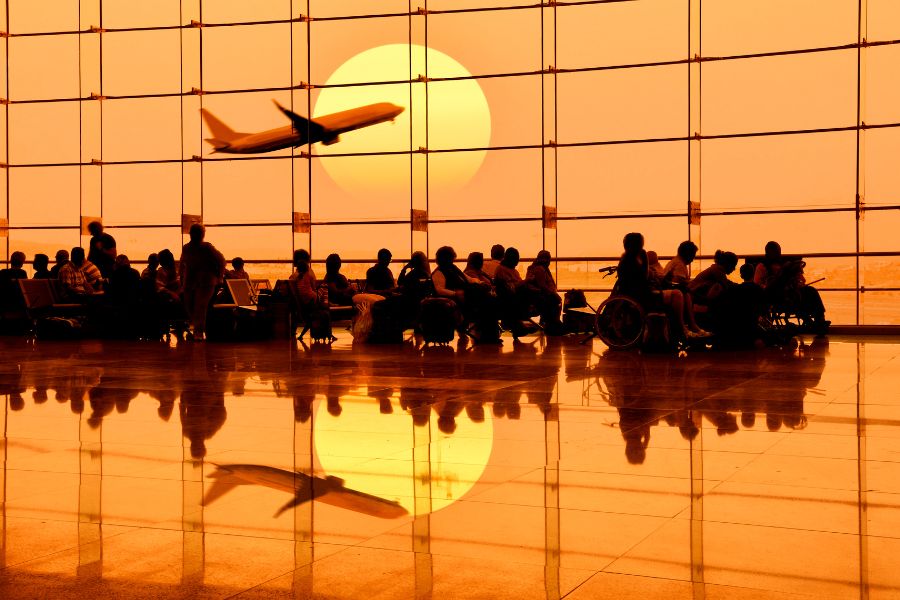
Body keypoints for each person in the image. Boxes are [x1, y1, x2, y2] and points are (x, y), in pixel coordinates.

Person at [615, 233, 706, 339]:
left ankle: (687, 327)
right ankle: (681, 329)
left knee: (681, 293)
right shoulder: (632, 260)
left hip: (643, 292)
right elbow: (643, 278)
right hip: (642, 295)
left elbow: (643, 277)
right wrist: (646, 262)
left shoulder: (629, 258)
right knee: (677, 294)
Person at [179, 224, 226, 341]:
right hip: (191, 280)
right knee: (190, 305)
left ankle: (198, 331)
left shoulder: (207, 248)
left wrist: (219, 277)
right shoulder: (187, 248)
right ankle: (197, 327)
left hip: (206, 281)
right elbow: (182, 262)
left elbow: (221, 261)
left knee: (200, 306)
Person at [524, 250, 563, 333]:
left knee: (555, 300)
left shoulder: (537, 268)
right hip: (540, 297)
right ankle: (553, 325)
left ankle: (553, 323)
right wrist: (553, 293)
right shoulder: (539, 269)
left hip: (538, 296)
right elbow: (542, 286)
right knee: (555, 300)